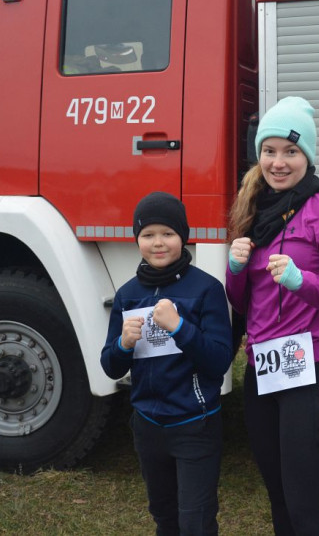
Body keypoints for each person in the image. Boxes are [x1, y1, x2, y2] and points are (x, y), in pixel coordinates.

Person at [226, 96, 319, 536]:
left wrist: (301, 282)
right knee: (281, 506)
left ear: (307, 155)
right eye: (269, 150)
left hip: (313, 371)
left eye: (291, 152)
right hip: (264, 370)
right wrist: (233, 270)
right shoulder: (254, 210)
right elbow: (245, 303)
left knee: (307, 510)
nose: (278, 162)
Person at [101, 191, 232, 536]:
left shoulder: (207, 289)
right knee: (164, 518)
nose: (158, 243)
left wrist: (180, 328)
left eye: (168, 234)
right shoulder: (128, 294)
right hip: (147, 425)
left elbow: (219, 361)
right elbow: (110, 366)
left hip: (194, 424)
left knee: (196, 521)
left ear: (182, 237)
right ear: (137, 240)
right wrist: (123, 344)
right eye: (148, 235)